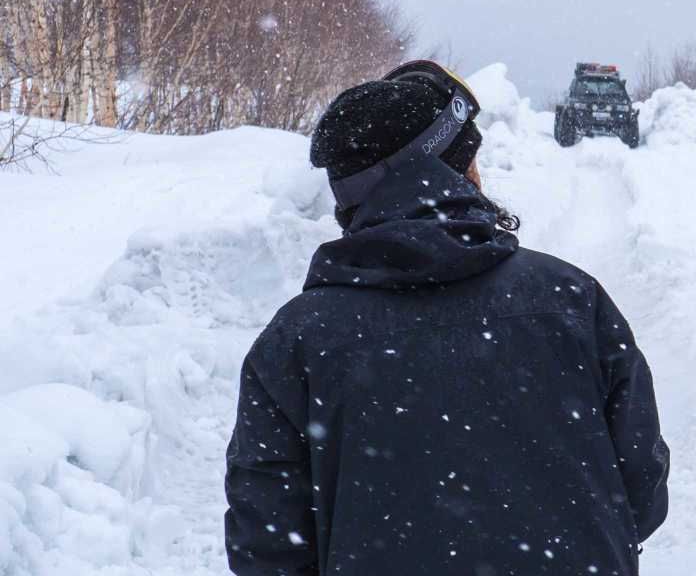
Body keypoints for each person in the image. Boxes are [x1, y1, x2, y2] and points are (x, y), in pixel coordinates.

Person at [223, 61, 670, 575]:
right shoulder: (571, 299)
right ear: (453, 174)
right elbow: (642, 488)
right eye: (471, 158)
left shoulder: (296, 341)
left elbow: (266, 548)